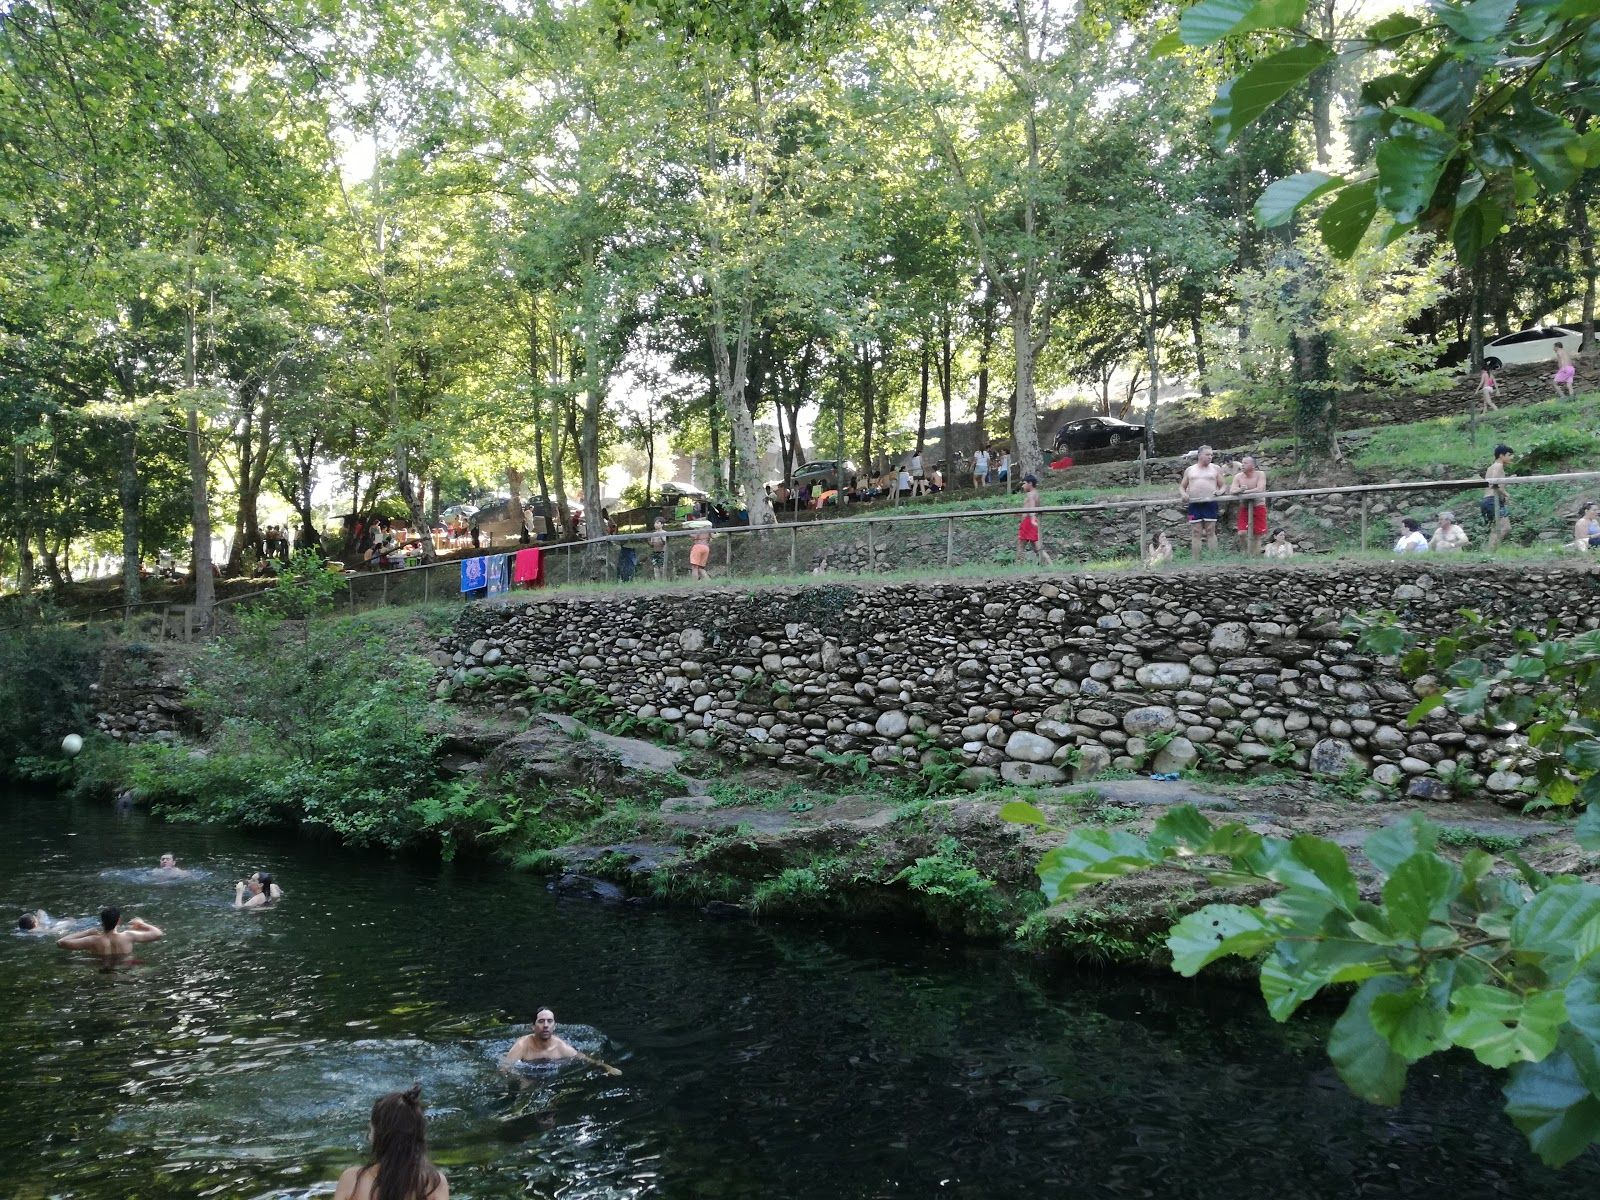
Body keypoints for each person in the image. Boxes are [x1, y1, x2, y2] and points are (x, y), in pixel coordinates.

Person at [333, 1086, 449, 1200]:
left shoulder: (352, 1181)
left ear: (378, 1136)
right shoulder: (434, 1184)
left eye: (371, 1130)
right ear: (419, 1136)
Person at [501, 1008, 622, 1076]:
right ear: (533, 1026)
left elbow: (584, 1058)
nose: (546, 1025)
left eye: (549, 1021)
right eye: (541, 1021)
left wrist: (608, 1067)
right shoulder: (522, 1045)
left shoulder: (561, 1047)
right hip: (526, 1074)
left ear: (554, 1026)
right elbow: (504, 1069)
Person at [1178, 445, 1226, 561]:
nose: (1210, 457)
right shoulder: (1190, 470)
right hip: (1194, 504)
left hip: (1210, 503)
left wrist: (1220, 492)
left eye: (1211, 455)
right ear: (1200, 455)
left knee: (1210, 530)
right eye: (1207, 454)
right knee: (1196, 531)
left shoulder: (1215, 468)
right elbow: (1182, 487)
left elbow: (1223, 485)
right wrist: (1183, 494)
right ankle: (1196, 560)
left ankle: (1214, 559)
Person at [57, 907, 163, 957]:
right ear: (119, 921)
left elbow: (61, 942)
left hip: (101, 969)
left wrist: (86, 932)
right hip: (126, 968)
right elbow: (158, 934)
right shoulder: (129, 936)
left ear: (102, 922)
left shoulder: (92, 940)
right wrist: (142, 924)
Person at [1228, 455, 1269, 555]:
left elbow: (1260, 489)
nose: (1242, 465)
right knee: (1242, 533)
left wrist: (1244, 492)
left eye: (1246, 463)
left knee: (1257, 535)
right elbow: (1232, 490)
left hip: (1258, 506)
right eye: (1242, 462)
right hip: (1244, 507)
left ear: (1253, 466)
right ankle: (1246, 552)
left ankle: (1255, 556)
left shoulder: (1260, 474)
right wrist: (1239, 490)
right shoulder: (1238, 476)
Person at [1481, 443, 1514, 551]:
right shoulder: (1498, 466)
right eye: (1509, 455)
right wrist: (1506, 494)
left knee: (1496, 529)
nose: (1511, 457)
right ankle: (1491, 551)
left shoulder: (1491, 467)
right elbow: (1494, 483)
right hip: (1492, 500)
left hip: (1488, 500)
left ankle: (1489, 553)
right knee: (1505, 527)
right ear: (1501, 455)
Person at [1015, 474, 1053, 567]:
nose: (1023, 486)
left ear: (1030, 483)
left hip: (1028, 522)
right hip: (1033, 520)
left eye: (1024, 483)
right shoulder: (1036, 493)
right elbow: (1037, 508)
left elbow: (1031, 508)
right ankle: (1050, 565)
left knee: (1021, 545)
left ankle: (1018, 566)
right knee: (1037, 547)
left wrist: (1031, 519)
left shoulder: (1030, 494)